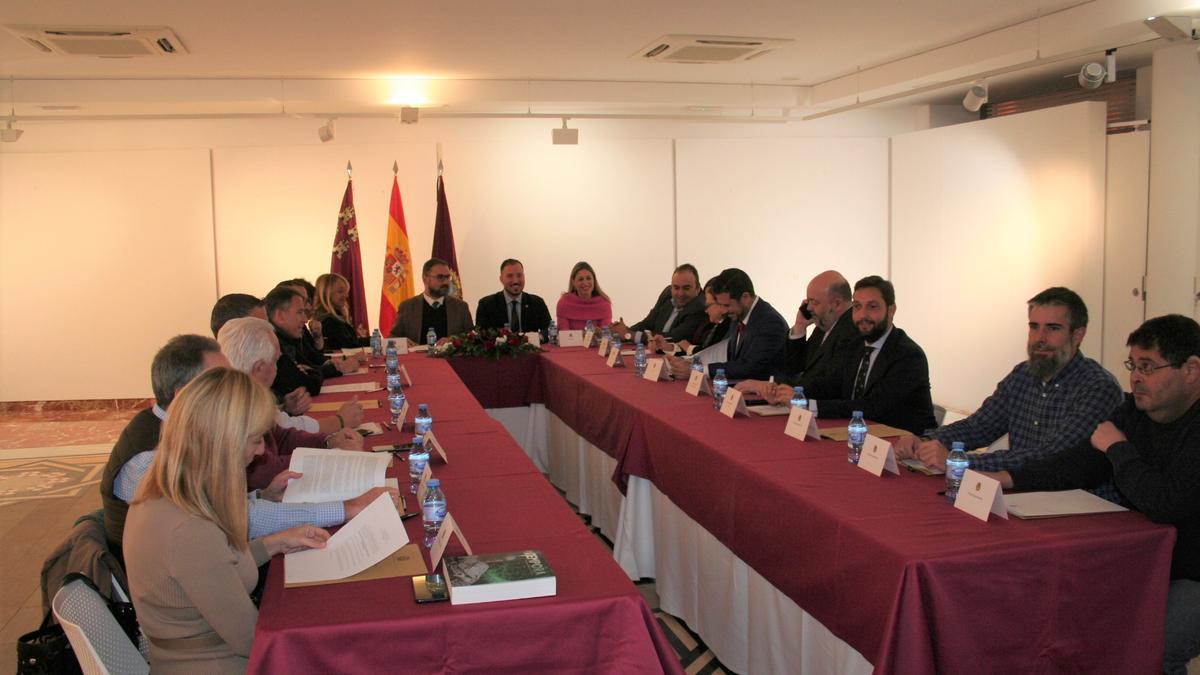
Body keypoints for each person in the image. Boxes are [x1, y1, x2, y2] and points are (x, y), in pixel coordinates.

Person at [984, 315, 1200, 675]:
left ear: (1191, 370)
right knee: (1071, 627)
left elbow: (1167, 503)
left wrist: (1118, 448)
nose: (1135, 377)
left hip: (1191, 572)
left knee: (1151, 649)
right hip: (1142, 559)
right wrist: (1007, 478)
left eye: (1148, 366)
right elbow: (1080, 464)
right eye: (1133, 365)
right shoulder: (1135, 411)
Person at [124, 368, 332, 673]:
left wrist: (274, 543)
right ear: (221, 442)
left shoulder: (168, 491)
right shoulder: (189, 528)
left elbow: (216, 567)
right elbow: (252, 641)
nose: (261, 450)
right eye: (255, 440)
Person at [103, 334, 382, 560]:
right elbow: (240, 520)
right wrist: (346, 508)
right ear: (184, 396)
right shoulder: (146, 461)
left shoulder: (195, 432)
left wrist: (262, 495)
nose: (234, 385)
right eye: (219, 381)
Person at [899, 287, 1123, 473]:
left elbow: (1051, 455)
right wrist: (926, 440)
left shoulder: (1097, 387)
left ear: (1078, 335)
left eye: (1052, 329)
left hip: (1076, 502)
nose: (1040, 338)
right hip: (1020, 491)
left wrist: (960, 461)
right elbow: (980, 426)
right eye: (1034, 327)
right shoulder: (1022, 375)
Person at [806, 275, 936, 434]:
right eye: (857, 307)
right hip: (860, 436)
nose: (862, 315)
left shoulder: (908, 355)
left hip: (903, 445)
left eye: (872, 307)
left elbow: (872, 406)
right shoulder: (855, 346)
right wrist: (792, 393)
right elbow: (830, 385)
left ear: (891, 310)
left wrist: (811, 406)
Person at [218, 317, 363, 435]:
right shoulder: (244, 404)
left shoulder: (224, 392)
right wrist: (340, 421)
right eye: (276, 360)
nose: (277, 368)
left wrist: (284, 409)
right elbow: (287, 434)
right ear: (259, 367)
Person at [736, 270, 858, 402]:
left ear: (837, 303)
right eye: (808, 302)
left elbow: (827, 384)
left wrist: (771, 386)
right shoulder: (824, 325)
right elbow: (794, 369)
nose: (809, 308)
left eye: (814, 302)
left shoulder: (852, 330)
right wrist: (800, 326)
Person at [666, 267, 787, 381]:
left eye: (727, 305)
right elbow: (729, 358)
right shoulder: (738, 316)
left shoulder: (769, 322)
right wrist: (688, 362)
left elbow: (749, 367)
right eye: (720, 305)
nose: (723, 311)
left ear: (745, 297)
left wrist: (698, 369)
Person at [610, 264, 707, 343]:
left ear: (697, 288)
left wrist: (628, 335)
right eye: (676, 288)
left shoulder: (699, 306)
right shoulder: (667, 294)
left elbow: (672, 338)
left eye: (686, 288)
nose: (680, 293)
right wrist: (622, 330)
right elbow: (647, 323)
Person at [389, 257, 474, 343]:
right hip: (417, 356)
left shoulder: (460, 307)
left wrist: (454, 341)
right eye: (440, 277)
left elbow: (472, 337)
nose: (445, 282)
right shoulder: (407, 307)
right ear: (425, 278)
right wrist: (403, 342)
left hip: (449, 356)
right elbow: (392, 337)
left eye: (448, 277)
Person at [474, 258, 552, 334]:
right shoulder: (486, 305)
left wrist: (537, 338)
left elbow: (549, 330)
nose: (515, 281)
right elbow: (481, 335)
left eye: (519, 275)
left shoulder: (537, 302)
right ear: (501, 279)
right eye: (510, 276)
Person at [315, 272, 371, 350]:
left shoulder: (336, 317)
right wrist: (375, 341)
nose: (346, 296)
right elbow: (349, 346)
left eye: (346, 292)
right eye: (340, 292)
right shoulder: (328, 321)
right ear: (326, 294)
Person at [555, 261, 612, 330]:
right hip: (571, 341)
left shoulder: (604, 304)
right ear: (573, 282)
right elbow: (564, 336)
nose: (585, 283)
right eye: (580, 279)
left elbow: (605, 336)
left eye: (588, 278)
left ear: (594, 280)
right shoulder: (564, 304)